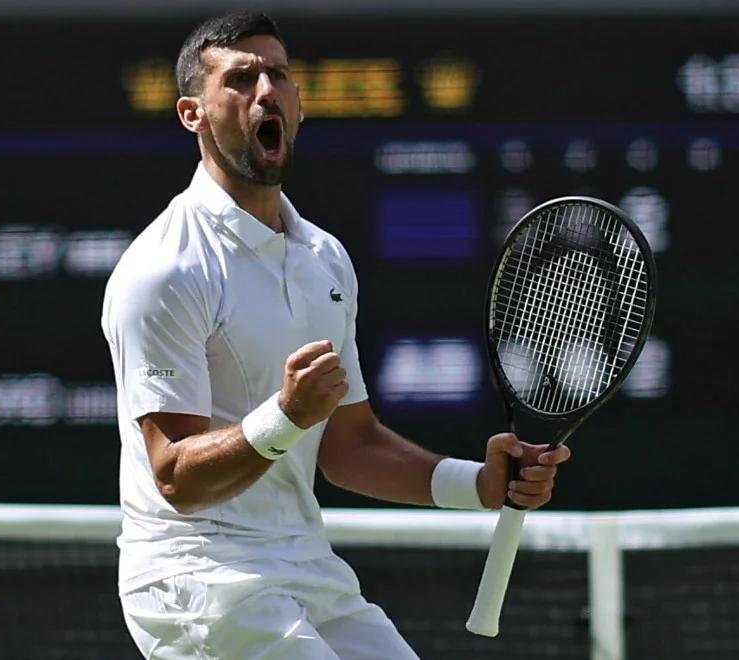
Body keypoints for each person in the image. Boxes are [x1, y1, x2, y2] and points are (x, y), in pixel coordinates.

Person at [100, 11, 571, 659]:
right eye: (240, 78)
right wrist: (287, 417)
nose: (265, 90)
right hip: (198, 578)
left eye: (278, 75)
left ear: (297, 105)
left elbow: (349, 444)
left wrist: (480, 485)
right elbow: (176, 477)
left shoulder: (324, 257)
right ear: (193, 114)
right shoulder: (163, 270)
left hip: (306, 566)